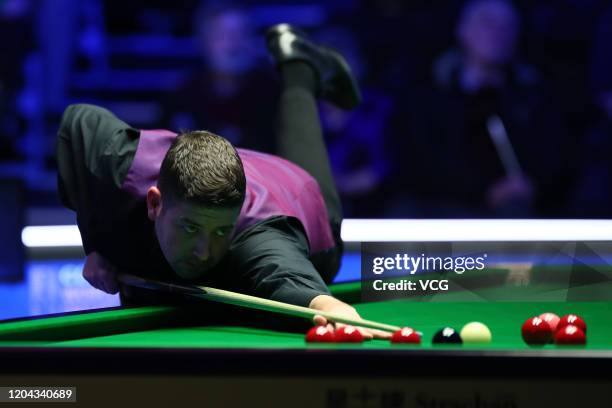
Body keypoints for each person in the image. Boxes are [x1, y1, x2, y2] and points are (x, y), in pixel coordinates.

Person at [56, 24, 388, 339]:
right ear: (155, 202)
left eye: (219, 232)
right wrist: (97, 244)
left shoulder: (260, 240)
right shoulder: (121, 162)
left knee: (306, 180)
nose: (204, 252)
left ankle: (299, 68)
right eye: (190, 228)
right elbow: (78, 120)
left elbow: (291, 279)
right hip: (241, 169)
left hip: (295, 196)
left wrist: (330, 308)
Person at [387, 0, 572, 218]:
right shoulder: (428, 92)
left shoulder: (535, 96)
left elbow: (554, 159)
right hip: (440, 204)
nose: (497, 32)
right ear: (463, 31)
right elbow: (417, 162)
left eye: (506, 26)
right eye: (487, 23)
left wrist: (532, 183)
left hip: (512, 208)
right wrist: (483, 191)